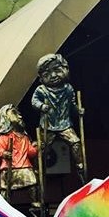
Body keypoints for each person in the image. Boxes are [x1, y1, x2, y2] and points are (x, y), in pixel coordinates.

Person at [30, 53, 85, 181]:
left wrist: (78, 110)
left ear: (65, 69)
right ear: (41, 77)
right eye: (47, 74)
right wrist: (41, 106)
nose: (53, 75)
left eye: (57, 70)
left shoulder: (68, 89)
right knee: (42, 148)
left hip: (65, 124)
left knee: (75, 142)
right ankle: (37, 170)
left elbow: (72, 105)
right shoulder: (41, 90)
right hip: (48, 125)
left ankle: (80, 167)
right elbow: (34, 101)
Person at [0, 104, 40, 209]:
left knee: (33, 182)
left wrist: (36, 148)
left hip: (24, 165)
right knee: (6, 189)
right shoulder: (4, 136)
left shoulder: (24, 137)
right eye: (14, 113)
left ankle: (34, 201)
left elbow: (30, 152)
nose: (20, 116)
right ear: (6, 117)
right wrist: (4, 153)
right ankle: (5, 204)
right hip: (9, 167)